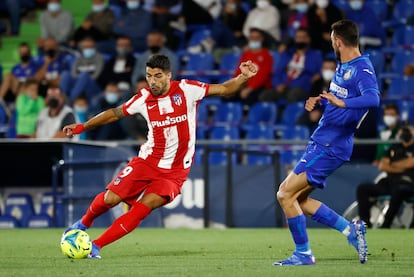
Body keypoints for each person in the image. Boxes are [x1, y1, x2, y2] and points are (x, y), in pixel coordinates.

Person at [61, 54, 258, 258]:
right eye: (149, 76)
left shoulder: (187, 90)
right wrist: (83, 126)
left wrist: (243, 77)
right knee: (111, 198)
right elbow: (113, 113)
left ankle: (96, 246)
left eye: (157, 76)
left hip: (174, 172)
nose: (152, 81)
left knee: (143, 207)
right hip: (147, 162)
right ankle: (83, 223)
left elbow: (225, 89)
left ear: (168, 75)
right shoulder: (143, 98)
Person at [273, 19, 380, 266]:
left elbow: (372, 98)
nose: (331, 43)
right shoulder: (345, 66)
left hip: (331, 144)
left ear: (338, 41)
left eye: (332, 40)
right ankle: (350, 230)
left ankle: (303, 254)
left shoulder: (362, 69)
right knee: (299, 200)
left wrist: (343, 103)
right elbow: (340, 98)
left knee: (284, 193)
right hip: (324, 139)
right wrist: (322, 101)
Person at [356, 125, 414, 228]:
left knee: (399, 190)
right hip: (390, 182)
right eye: (403, 130)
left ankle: (386, 225)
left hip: (408, 184)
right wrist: (401, 167)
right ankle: (365, 223)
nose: (405, 133)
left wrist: (392, 164)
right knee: (363, 189)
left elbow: (410, 163)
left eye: (408, 130)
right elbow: (382, 165)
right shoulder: (395, 147)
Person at [60, 37, 105, 103]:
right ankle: (63, 97)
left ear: (94, 47)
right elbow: (73, 74)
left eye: (90, 47)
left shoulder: (99, 58)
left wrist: (82, 78)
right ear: (81, 48)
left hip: (94, 85)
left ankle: (71, 100)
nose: (88, 49)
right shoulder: (78, 59)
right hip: (78, 84)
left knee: (84, 75)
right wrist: (80, 80)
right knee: (65, 74)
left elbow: (95, 76)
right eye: (86, 47)